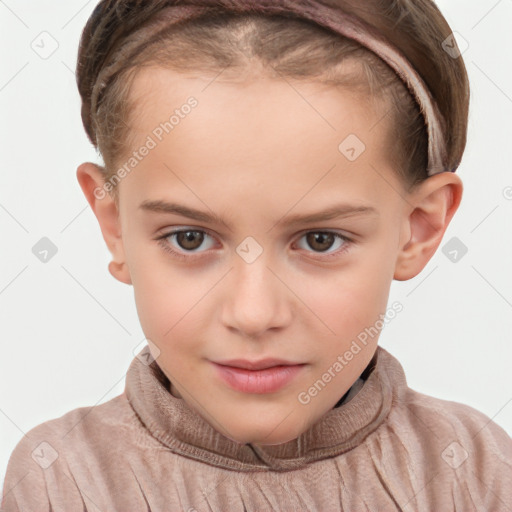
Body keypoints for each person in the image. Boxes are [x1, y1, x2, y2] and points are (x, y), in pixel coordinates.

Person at [2, 0, 511, 510]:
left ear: (417, 228)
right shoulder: (62, 483)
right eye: (190, 239)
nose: (253, 314)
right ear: (114, 226)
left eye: (319, 240)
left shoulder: (476, 473)